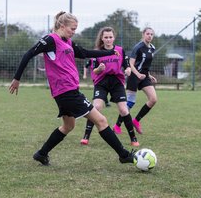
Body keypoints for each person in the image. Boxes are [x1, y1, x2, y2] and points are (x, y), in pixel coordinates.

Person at [9, 11, 135, 166]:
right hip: (66, 91)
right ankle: (123, 155)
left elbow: (84, 53)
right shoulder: (50, 40)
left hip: (66, 91)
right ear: (62, 26)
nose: (74, 32)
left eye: (75, 29)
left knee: (68, 126)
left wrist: (109, 52)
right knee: (101, 120)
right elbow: (29, 54)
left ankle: (41, 154)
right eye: (72, 29)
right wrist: (17, 78)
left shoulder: (67, 41)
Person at [80, 27, 139, 147]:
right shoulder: (96, 52)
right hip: (101, 82)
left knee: (123, 109)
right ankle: (86, 136)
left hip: (117, 82)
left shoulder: (120, 50)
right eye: (106, 37)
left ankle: (133, 138)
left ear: (114, 38)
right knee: (96, 107)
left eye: (110, 37)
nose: (108, 39)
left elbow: (126, 65)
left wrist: (128, 70)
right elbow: (95, 71)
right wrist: (99, 69)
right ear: (102, 38)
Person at [113, 27, 157, 134]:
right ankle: (117, 125)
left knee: (153, 99)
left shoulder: (152, 48)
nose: (149, 36)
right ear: (143, 34)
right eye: (147, 33)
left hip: (144, 76)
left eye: (151, 34)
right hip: (134, 75)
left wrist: (149, 75)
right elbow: (131, 64)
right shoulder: (138, 47)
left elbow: (145, 64)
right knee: (130, 102)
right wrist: (138, 74)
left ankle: (136, 121)